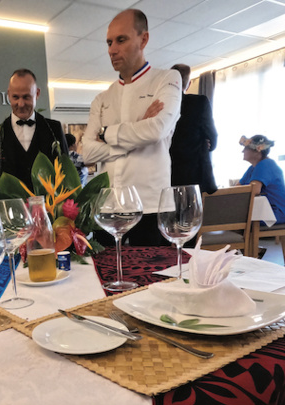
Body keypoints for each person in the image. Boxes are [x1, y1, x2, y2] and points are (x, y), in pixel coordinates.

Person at [82, 9, 182, 246]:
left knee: (153, 280)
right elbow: (88, 152)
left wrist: (107, 134)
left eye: (121, 40)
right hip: (107, 206)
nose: (112, 49)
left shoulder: (167, 79)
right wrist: (137, 131)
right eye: (109, 42)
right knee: (104, 279)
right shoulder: (102, 98)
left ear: (143, 39)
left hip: (150, 205)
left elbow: (156, 129)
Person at [0, 69, 68, 190]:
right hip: (11, 207)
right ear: (8, 95)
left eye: (26, 97)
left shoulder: (54, 129)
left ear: (37, 94)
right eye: (15, 97)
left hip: (49, 206)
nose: (21, 103)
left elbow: (65, 170)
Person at [169, 64, 218, 194]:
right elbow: (212, 137)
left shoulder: (161, 104)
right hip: (195, 173)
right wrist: (208, 144)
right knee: (195, 213)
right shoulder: (199, 102)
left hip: (168, 172)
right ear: (188, 84)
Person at [238, 134, 285, 225]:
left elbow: (254, 191)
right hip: (268, 210)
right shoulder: (253, 168)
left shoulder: (265, 164)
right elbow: (238, 187)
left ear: (257, 151)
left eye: (246, 148)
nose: (242, 151)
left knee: (231, 218)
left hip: (276, 212)